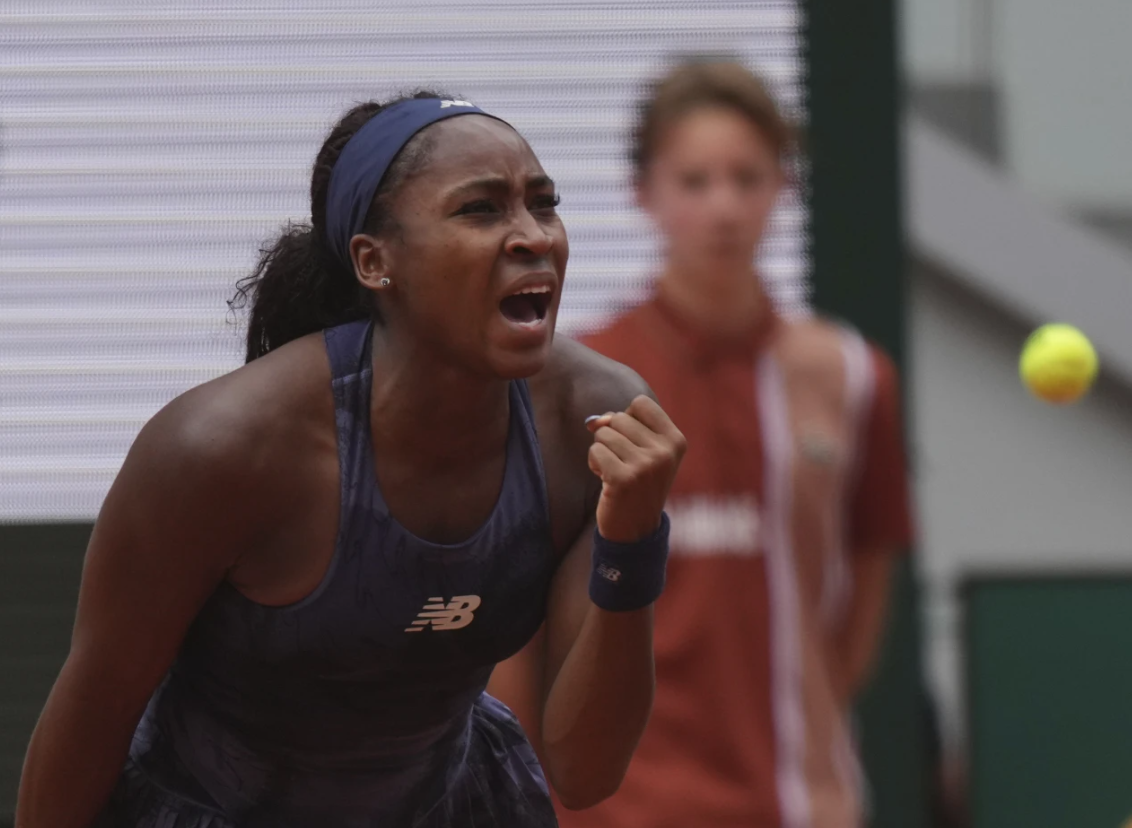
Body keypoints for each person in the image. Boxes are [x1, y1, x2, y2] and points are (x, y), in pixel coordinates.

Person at [16, 90, 687, 828]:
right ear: (374, 262)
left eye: (543, 204)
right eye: (480, 209)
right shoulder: (222, 448)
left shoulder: (591, 423)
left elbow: (585, 772)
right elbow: (93, 715)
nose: (532, 236)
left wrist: (631, 540)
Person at [490, 59, 915, 828]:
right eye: (694, 181)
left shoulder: (852, 377)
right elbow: (517, 630)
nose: (723, 207)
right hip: (619, 812)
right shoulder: (575, 385)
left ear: (782, 189)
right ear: (643, 194)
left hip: (799, 805)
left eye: (746, 177)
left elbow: (860, 606)